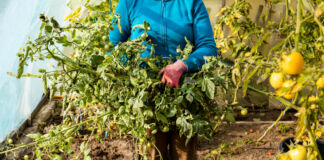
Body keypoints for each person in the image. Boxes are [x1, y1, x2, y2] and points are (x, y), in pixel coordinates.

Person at [109, 0, 217, 159]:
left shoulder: (191, 3)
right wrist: (136, 70)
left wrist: (182, 65)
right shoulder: (129, 3)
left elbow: (208, 47)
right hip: (146, 98)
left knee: (184, 155)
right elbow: (113, 46)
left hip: (186, 97)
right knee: (151, 154)